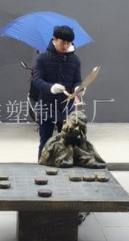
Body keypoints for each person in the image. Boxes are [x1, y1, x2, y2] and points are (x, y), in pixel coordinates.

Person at [32, 25, 83, 159]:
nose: (65, 46)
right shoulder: (42, 58)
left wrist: (78, 88)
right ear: (54, 39)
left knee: (67, 141)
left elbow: (77, 80)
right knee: (45, 141)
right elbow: (36, 80)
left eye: (68, 43)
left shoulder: (75, 60)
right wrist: (51, 88)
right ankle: (42, 164)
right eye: (62, 42)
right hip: (46, 105)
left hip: (66, 106)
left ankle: (65, 166)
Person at [38, 110, 106, 168]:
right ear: (64, 123)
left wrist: (83, 143)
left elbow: (97, 162)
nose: (77, 129)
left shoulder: (80, 144)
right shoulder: (53, 144)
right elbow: (60, 162)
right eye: (75, 124)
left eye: (81, 128)